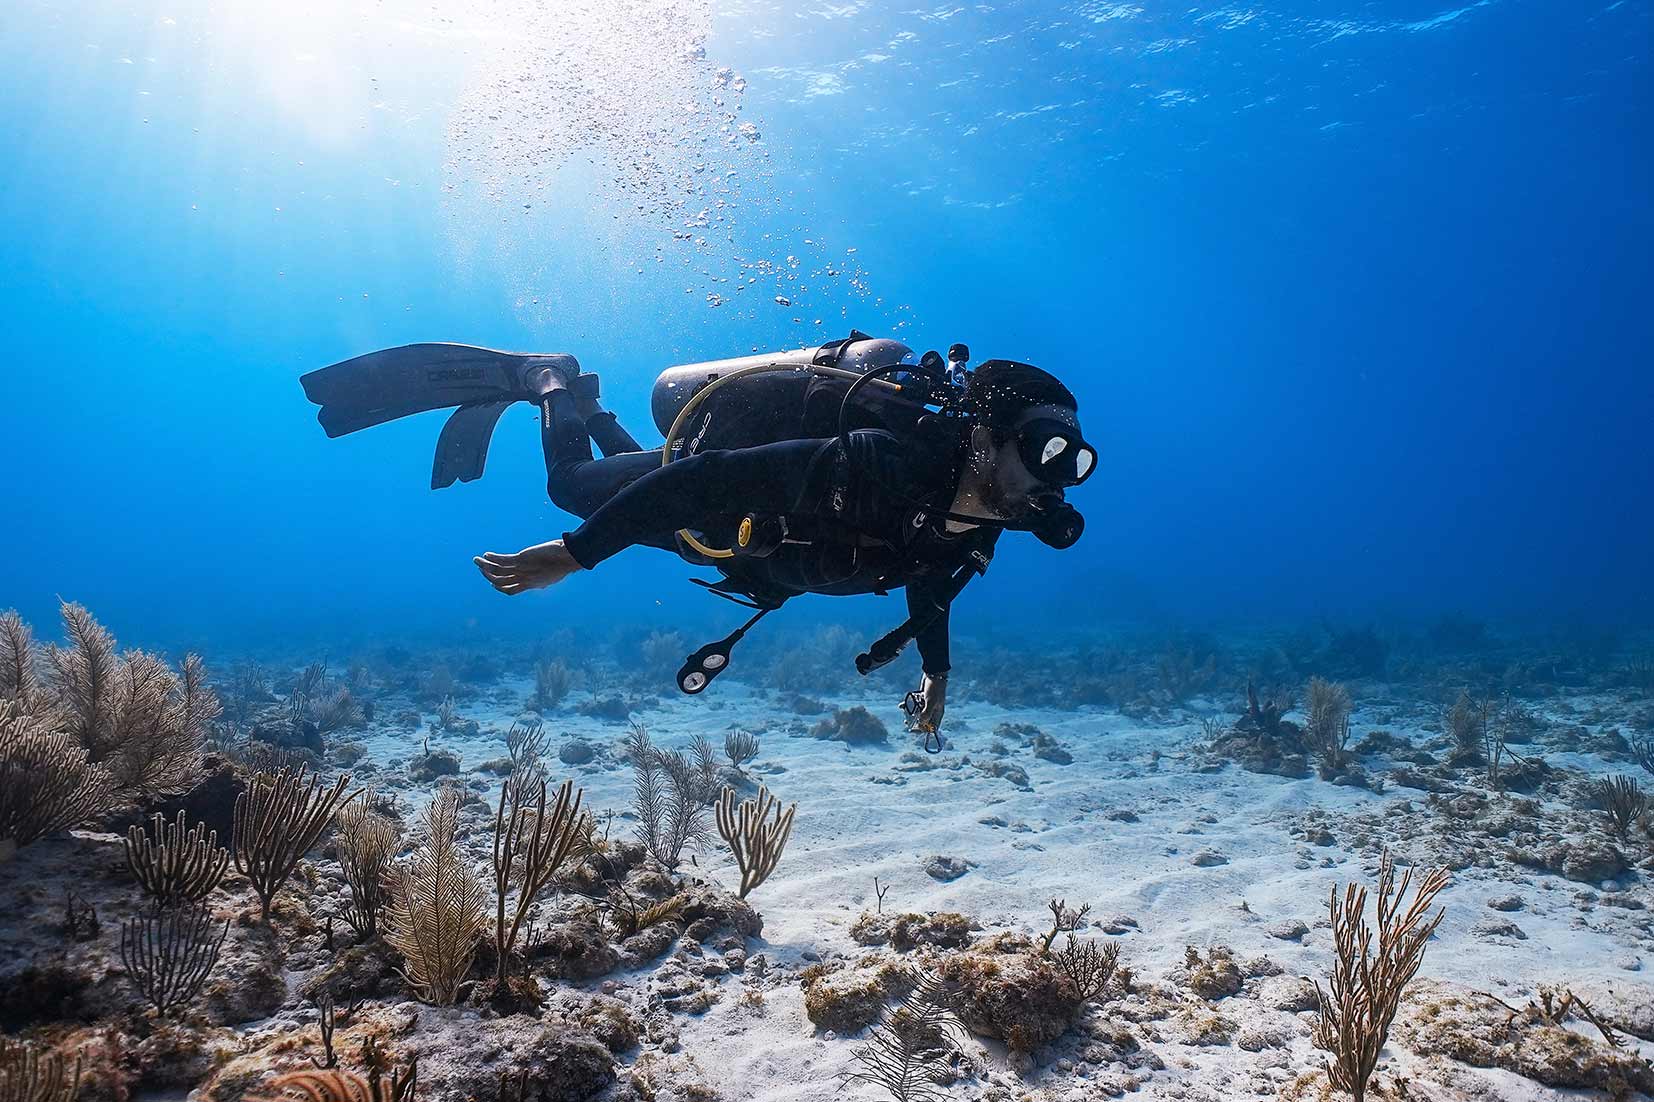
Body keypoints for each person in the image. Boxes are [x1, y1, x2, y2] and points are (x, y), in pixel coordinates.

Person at [300, 338, 1096, 737]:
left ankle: (592, 407)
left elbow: (932, 574)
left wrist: (935, 673)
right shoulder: (878, 460)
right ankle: (547, 380)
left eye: (1070, 465)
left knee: (646, 493)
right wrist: (576, 554)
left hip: (733, 545)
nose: (1051, 486)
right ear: (986, 438)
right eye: (1042, 454)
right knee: (572, 489)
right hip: (717, 500)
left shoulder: (983, 514)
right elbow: (705, 481)